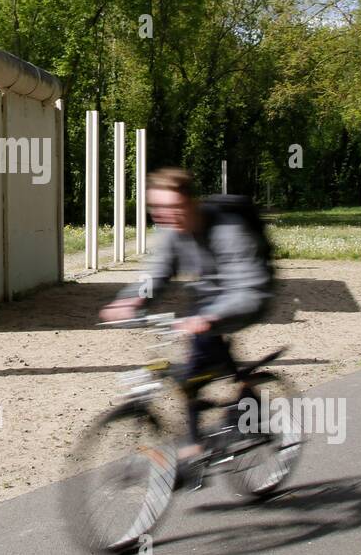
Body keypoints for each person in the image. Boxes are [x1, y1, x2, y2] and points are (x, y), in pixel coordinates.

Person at [100, 167, 274, 468]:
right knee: (193, 370)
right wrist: (131, 300)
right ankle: (222, 414)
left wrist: (210, 316)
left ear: (190, 203)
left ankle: (216, 429)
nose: (163, 216)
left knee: (199, 353)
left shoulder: (227, 229)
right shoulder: (171, 230)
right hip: (208, 298)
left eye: (172, 207)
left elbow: (248, 288)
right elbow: (157, 274)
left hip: (248, 294)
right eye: (156, 208)